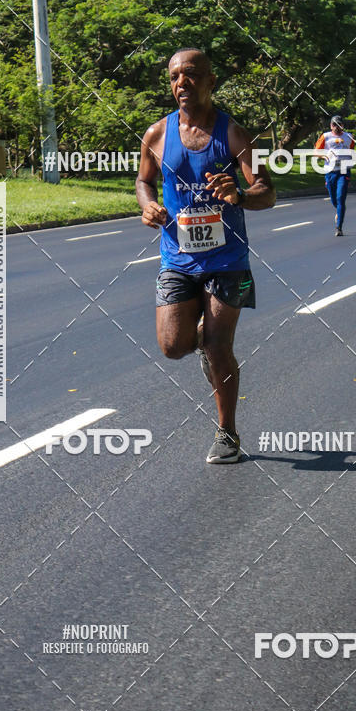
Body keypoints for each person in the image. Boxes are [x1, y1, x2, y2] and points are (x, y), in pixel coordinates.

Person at [136, 48, 275, 463]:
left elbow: (267, 192)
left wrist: (241, 195)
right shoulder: (156, 135)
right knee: (172, 346)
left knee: (218, 346)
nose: (182, 82)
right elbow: (144, 181)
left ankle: (227, 433)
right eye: (175, 76)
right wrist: (148, 205)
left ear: (211, 81)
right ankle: (201, 344)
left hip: (227, 260)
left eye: (192, 74)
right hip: (177, 257)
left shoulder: (234, 134)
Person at [315, 116, 356, 236]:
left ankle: (339, 227)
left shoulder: (349, 136)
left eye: (339, 125)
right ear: (331, 126)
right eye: (334, 125)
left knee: (340, 197)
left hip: (344, 171)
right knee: (334, 199)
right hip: (330, 171)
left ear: (342, 125)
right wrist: (325, 156)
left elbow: (352, 149)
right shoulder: (325, 136)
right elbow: (316, 152)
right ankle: (338, 211)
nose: (336, 127)